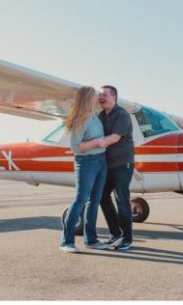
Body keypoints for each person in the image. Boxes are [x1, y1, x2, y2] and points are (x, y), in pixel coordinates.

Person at [59, 86, 118, 252]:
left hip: (101, 161)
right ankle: (66, 241)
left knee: (94, 201)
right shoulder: (81, 119)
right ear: (88, 99)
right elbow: (76, 147)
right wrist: (97, 143)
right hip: (86, 162)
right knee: (81, 199)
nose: (98, 97)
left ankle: (91, 240)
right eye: (95, 96)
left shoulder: (94, 116)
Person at [98, 84, 135, 251]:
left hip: (122, 164)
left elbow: (114, 137)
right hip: (108, 164)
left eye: (104, 94)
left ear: (114, 97)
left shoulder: (122, 115)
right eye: (100, 95)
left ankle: (127, 238)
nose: (101, 97)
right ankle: (115, 233)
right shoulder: (101, 115)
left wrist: (93, 144)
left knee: (122, 199)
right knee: (102, 196)